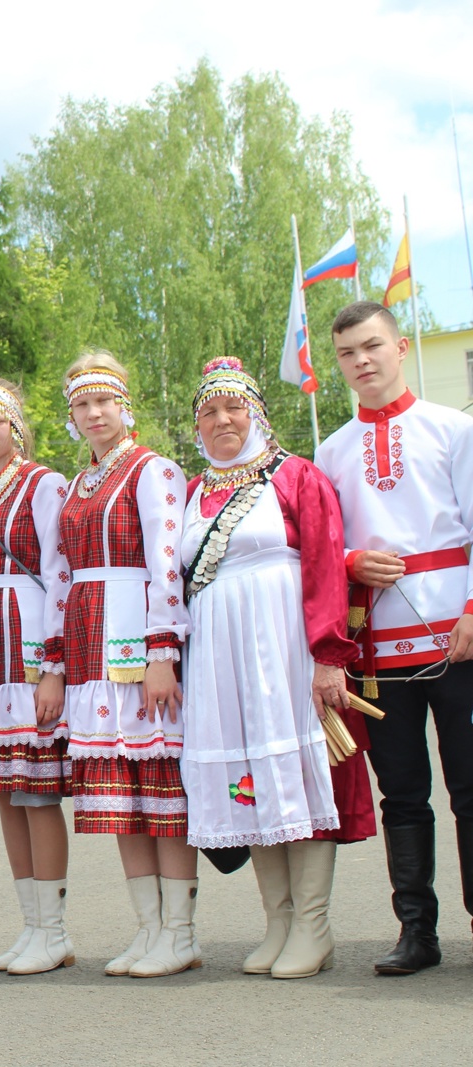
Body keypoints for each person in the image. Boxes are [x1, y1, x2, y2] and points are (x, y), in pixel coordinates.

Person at [179, 357, 373, 980]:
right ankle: (279, 920)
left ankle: (314, 925)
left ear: (257, 413)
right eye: (208, 411)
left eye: (234, 407)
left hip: (282, 646)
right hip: (219, 655)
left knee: (293, 771)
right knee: (249, 777)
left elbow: (322, 567)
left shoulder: (298, 478)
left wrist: (328, 656)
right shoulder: (192, 491)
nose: (222, 419)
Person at [315, 301, 473, 976]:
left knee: (469, 787)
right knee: (402, 791)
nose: (362, 361)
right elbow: (324, 548)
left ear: (401, 346)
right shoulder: (330, 450)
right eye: (349, 352)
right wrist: (350, 562)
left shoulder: (453, 429)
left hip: (458, 639)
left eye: (373, 346)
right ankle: (417, 930)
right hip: (379, 650)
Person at [57, 352, 197, 979]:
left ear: (125, 405)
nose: (94, 414)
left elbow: (167, 566)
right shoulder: (79, 482)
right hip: (90, 640)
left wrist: (161, 651)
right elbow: (62, 573)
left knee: (160, 785)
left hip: (135, 636)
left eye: (103, 402)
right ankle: (147, 930)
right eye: (82, 405)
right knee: (121, 790)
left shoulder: (152, 470)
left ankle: (181, 932)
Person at [0, 379, 76, 975]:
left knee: (35, 789)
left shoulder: (44, 483)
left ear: (16, 426)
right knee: (7, 790)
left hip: (28, 640)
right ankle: (31, 927)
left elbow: (59, 572)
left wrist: (53, 667)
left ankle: (53, 929)